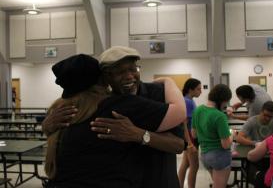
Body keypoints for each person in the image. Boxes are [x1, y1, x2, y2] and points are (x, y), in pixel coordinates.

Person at [42, 46, 186, 188]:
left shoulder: (160, 94)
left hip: (157, 181)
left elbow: (179, 145)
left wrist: (140, 135)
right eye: (120, 72)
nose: (129, 76)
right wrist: (47, 127)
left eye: (133, 69)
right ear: (105, 77)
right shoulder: (101, 106)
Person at [192, 84, 234, 188]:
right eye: (226, 101)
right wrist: (232, 134)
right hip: (219, 156)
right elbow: (226, 145)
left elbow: (194, 134)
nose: (226, 105)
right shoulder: (220, 116)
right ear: (222, 100)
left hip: (205, 155)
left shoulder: (198, 110)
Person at [178, 78, 202, 188]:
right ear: (190, 89)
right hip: (190, 138)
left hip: (190, 137)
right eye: (198, 89)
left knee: (185, 164)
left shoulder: (190, 99)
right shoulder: (187, 101)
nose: (200, 91)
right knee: (194, 166)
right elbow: (184, 125)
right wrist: (190, 143)